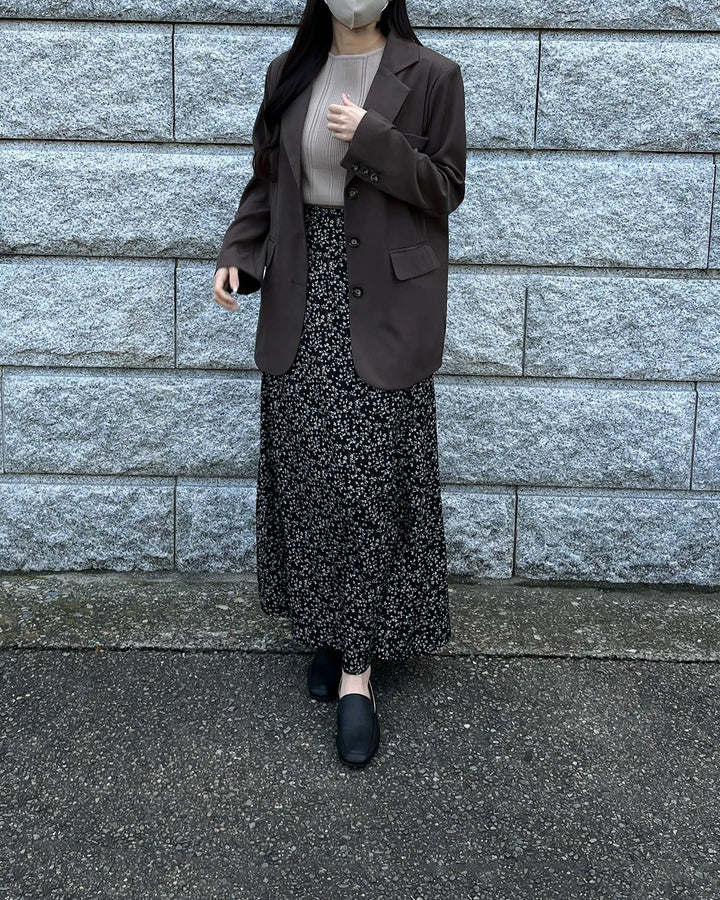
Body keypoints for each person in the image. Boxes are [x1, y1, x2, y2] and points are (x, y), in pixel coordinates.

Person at [212, 0, 466, 767]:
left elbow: (446, 187)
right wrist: (239, 254)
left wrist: (375, 138)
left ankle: (358, 673)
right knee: (311, 479)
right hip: (303, 297)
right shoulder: (289, 73)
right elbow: (267, 179)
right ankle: (328, 630)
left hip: (385, 308)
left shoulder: (434, 75)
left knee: (369, 486)